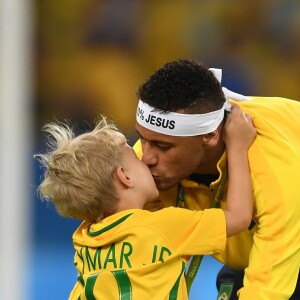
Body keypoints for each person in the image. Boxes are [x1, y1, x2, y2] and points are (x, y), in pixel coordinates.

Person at [35, 108, 255, 300]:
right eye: (135, 158)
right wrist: (237, 146)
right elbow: (238, 217)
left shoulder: (84, 243)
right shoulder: (163, 227)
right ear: (124, 176)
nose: (146, 160)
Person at [134, 59, 300, 300]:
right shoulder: (143, 165)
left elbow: (266, 292)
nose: (146, 158)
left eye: (162, 146)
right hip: (254, 252)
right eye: (142, 139)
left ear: (210, 136)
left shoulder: (273, 170)